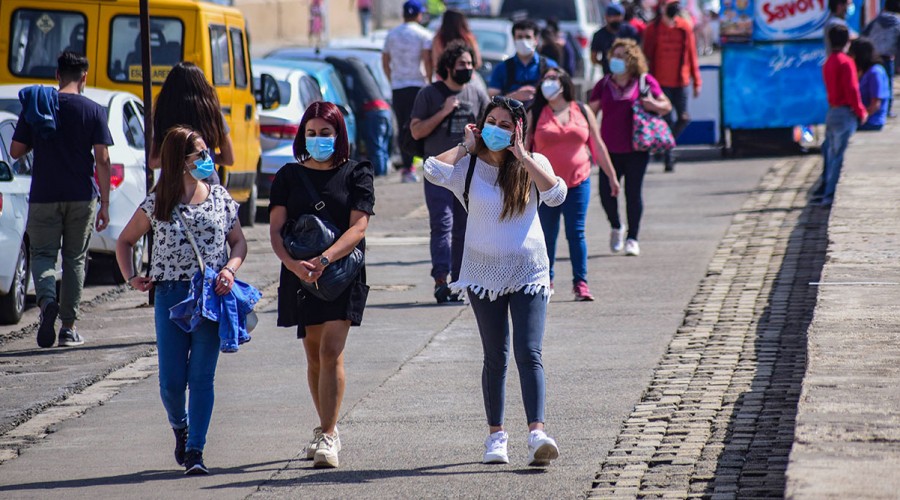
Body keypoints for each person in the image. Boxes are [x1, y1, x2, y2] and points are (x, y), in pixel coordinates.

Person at [423, 96, 565, 467]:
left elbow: (556, 194)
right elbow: (430, 171)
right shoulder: (467, 166)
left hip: (529, 270)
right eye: (492, 121)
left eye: (506, 124)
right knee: (495, 356)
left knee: (529, 352)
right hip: (482, 272)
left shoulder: (532, 163)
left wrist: (523, 156)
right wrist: (464, 146)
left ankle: (537, 434)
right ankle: (496, 436)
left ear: (519, 129)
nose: (497, 129)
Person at [115, 126, 247, 474]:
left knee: (202, 377)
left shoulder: (220, 197)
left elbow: (238, 243)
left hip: (210, 296)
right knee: (172, 381)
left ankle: (195, 452)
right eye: (199, 155)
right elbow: (124, 241)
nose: (208, 160)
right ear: (180, 162)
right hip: (171, 295)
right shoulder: (159, 201)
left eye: (207, 153)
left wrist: (230, 270)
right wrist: (132, 277)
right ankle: (180, 425)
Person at [268, 101, 375, 469]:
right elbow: (276, 230)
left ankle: (328, 434)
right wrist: (294, 266)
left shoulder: (357, 172)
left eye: (325, 133)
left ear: (338, 135)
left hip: (341, 273)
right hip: (300, 274)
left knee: (331, 351)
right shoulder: (286, 176)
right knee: (313, 354)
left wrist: (326, 259)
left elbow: (359, 227)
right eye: (311, 133)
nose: (317, 139)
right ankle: (324, 427)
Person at [10, 51, 112, 349]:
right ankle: (68, 328)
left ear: (57, 75)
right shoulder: (94, 110)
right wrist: (104, 202)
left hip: (44, 194)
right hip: (81, 196)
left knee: (42, 255)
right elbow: (103, 159)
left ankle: (46, 303)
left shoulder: (39, 104)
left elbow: (16, 151)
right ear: (85, 77)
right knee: (75, 259)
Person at [527, 67, 619, 300]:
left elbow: (597, 145)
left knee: (576, 232)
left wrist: (611, 176)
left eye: (553, 79)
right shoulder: (536, 112)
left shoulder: (583, 110)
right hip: (546, 185)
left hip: (579, 181)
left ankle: (581, 283)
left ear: (564, 82)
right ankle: (545, 280)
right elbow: (525, 150)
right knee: (547, 234)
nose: (548, 83)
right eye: (545, 79)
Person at [411, 41, 489, 303]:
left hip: (468, 172)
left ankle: (459, 281)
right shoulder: (429, 94)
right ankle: (441, 280)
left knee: (463, 228)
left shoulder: (477, 93)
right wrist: (444, 111)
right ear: (448, 67)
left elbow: (488, 130)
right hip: (439, 172)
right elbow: (416, 131)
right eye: (462, 65)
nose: (467, 69)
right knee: (442, 225)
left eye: (469, 64)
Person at [589, 39, 672, 257]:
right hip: (608, 150)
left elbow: (666, 106)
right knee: (606, 195)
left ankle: (633, 238)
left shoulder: (644, 81)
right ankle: (617, 226)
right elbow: (590, 113)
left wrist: (653, 104)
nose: (617, 60)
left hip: (637, 148)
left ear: (632, 59)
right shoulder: (604, 84)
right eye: (614, 56)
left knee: (633, 194)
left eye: (622, 56)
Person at [150, 62, 234, 186]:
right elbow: (229, 159)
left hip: (173, 188)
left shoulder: (163, 114)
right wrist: (201, 157)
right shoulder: (213, 114)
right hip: (208, 186)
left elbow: (153, 162)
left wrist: (179, 159)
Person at [643, 0, 702, 172]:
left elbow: (692, 55)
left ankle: (665, 145)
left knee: (684, 118)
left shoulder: (684, 27)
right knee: (667, 120)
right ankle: (669, 157)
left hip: (680, 80)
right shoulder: (652, 29)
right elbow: (646, 56)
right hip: (660, 83)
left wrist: (697, 81)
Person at [383, 0, 433, 183]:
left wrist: (392, 78)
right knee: (421, 124)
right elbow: (427, 60)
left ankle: (407, 167)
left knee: (403, 125)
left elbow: (385, 60)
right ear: (419, 15)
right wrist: (429, 80)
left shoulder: (391, 34)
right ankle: (424, 162)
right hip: (417, 84)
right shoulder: (424, 34)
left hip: (398, 86)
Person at [818, 25, 868, 206]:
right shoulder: (846, 62)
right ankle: (830, 196)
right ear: (847, 41)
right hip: (844, 112)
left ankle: (825, 191)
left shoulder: (828, 62)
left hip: (832, 111)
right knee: (840, 157)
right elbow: (852, 90)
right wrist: (861, 110)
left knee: (831, 155)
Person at [488, 20, 559, 105]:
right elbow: (492, 97)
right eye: (520, 37)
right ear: (514, 39)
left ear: (536, 39)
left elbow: (558, 95)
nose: (523, 41)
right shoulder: (502, 68)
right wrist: (514, 97)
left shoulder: (549, 66)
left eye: (528, 37)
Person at [862, 0, 900, 116]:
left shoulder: (876, 20)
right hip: (888, 57)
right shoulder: (897, 22)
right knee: (888, 84)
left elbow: (864, 34)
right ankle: (887, 110)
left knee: (874, 84)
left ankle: (873, 108)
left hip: (872, 57)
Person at [850, 38, 890, 130]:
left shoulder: (875, 72)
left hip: (872, 121)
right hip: (863, 119)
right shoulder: (865, 72)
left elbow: (875, 104)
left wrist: (860, 117)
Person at [591, 3, 641, 76]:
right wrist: (607, 64)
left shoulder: (630, 31)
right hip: (609, 75)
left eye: (618, 16)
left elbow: (638, 53)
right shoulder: (599, 35)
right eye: (612, 16)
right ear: (606, 17)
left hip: (629, 75)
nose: (616, 19)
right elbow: (593, 58)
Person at [431, 9, 482, 75]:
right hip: (466, 78)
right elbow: (477, 62)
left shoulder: (439, 39)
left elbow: (436, 63)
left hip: (444, 78)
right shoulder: (468, 38)